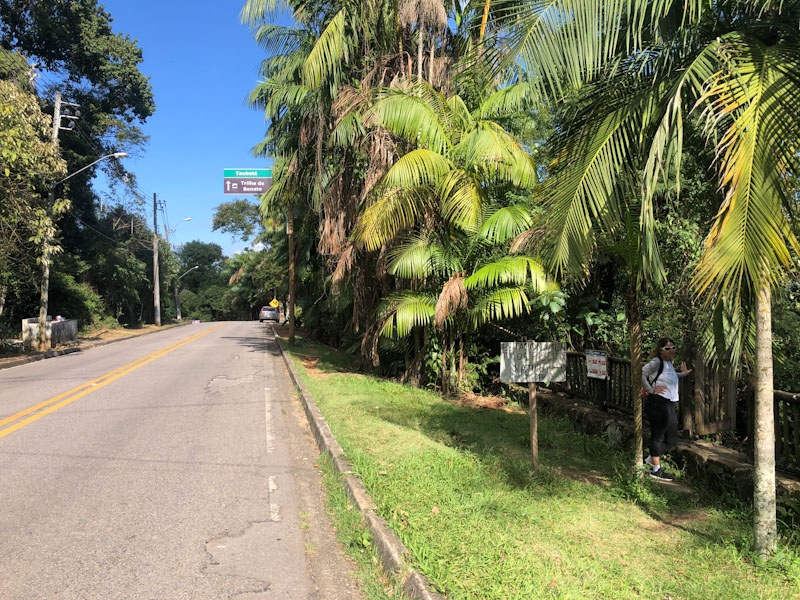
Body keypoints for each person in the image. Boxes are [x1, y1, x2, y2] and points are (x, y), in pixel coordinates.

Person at [641, 337, 691, 480]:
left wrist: (683, 374)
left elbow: (670, 378)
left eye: (673, 348)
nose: (671, 351)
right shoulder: (657, 362)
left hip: (669, 403)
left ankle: (650, 459)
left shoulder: (667, 363)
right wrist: (650, 389)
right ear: (660, 350)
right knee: (658, 435)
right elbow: (642, 373)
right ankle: (656, 469)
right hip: (658, 403)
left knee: (672, 440)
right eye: (667, 349)